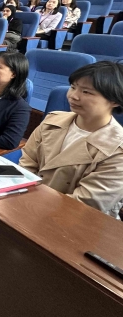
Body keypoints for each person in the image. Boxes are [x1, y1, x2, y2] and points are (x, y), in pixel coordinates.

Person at [20, 62, 123, 219]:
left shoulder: (117, 150)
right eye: (73, 87)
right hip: (28, 206)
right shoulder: (52, 120)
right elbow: (27, 164)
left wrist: (31, 203)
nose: (73, 96)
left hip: (76, 221)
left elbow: (85, 204)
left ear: (115, 100)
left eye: (86, 92)